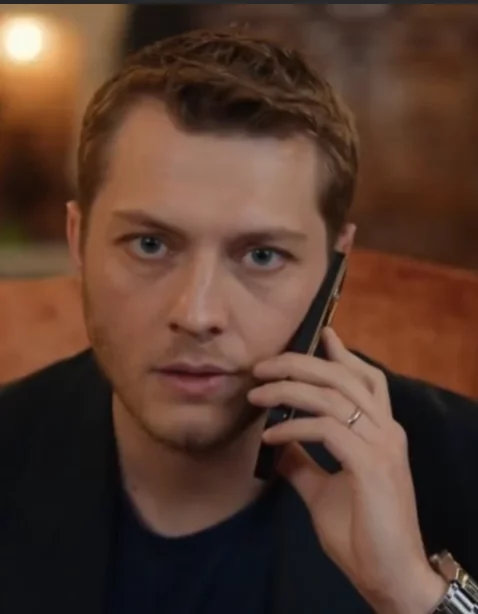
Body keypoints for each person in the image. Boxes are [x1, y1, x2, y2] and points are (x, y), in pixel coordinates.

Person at [1, 29, 477, 614]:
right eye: (150, 244)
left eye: (261, 255)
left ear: (335, 266)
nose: (197, 315)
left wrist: (412, 593)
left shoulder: (461, 463)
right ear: (78, 240)